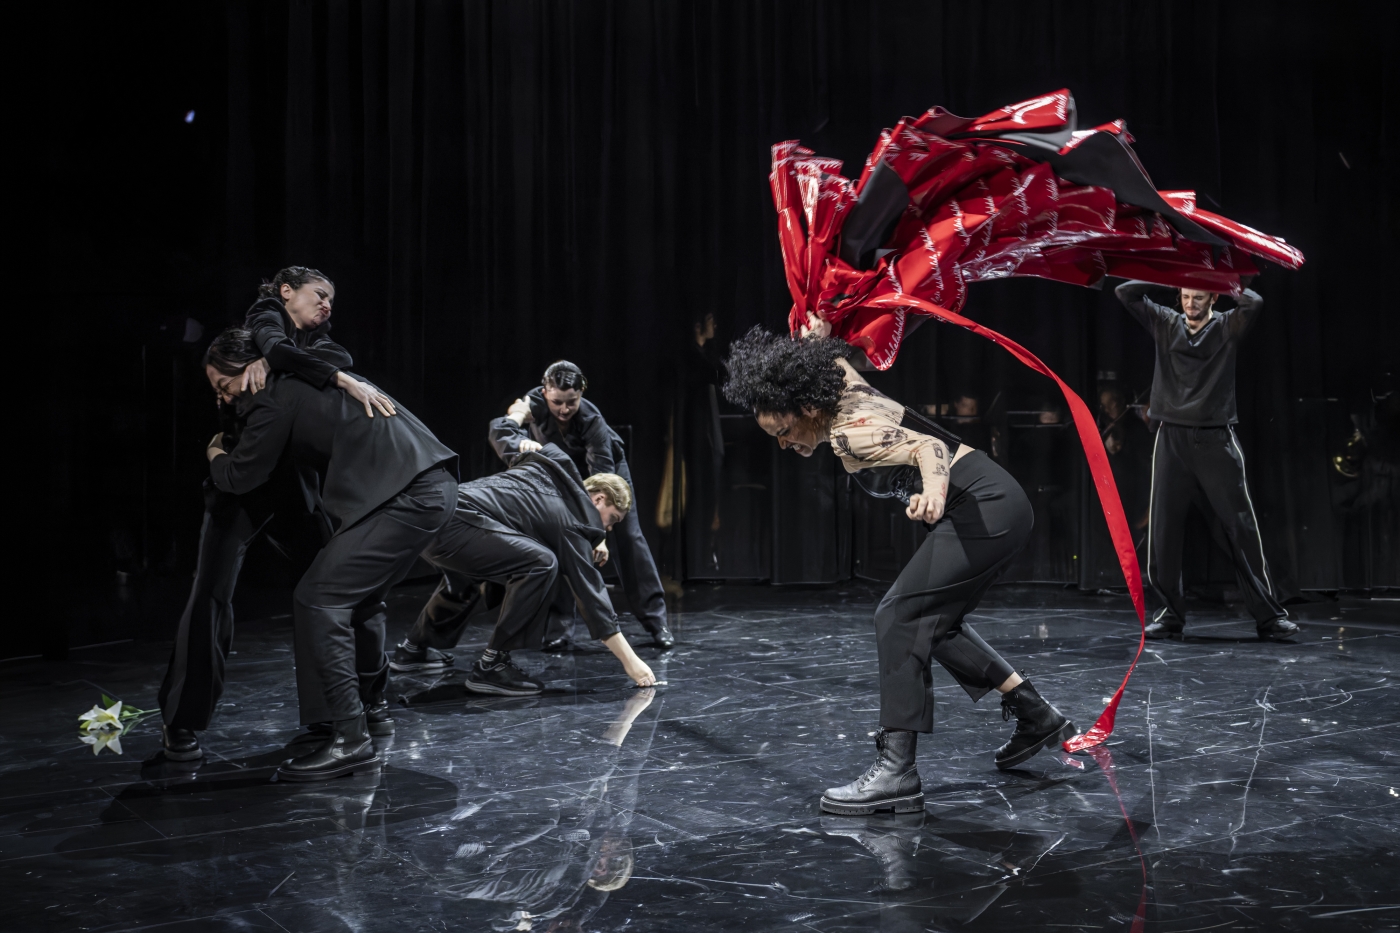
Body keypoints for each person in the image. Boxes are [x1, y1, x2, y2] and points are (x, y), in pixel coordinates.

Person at [724, 319, 1075, 816]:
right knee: (933, 623)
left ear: (805, 408)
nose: (783, 445)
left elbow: (930, 448)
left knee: (897, 617)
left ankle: (896, 772)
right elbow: (829, 358)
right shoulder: (844, 385)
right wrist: (814, 337)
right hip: (996, 500)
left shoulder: (849, 435)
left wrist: (932, 491)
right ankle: (1036, 714)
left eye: (782, 432)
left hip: (984, 504)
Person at [157, 266, 395, 763]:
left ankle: (353, 707)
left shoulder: (304, 348)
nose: (221, 397)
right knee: (209, 597)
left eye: (225, 386)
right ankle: (181, 721)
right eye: (216, 392)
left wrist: (276, 362)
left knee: (335, 590)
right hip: (236, 487)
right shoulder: (266, 318)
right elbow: (267, 340)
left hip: (290, 484)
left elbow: (334, 359)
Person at [202, 326, 458, 781]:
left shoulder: (273, 395)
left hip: (405, 496)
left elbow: (242, 475)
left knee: (318, 598)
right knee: (360, 599)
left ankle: (350, 739)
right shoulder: (309, 377)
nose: (224, 399)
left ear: (248, 368)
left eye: (225, 386)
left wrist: (216, 455)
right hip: (433, 485)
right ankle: (372, 710)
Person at [395, 435, 657, 694]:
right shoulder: (576, 520)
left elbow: (510, 442)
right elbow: (591, 595)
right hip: (459, 526)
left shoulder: (551, 465)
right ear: (598, 499)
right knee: (541, 564)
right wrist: (630, 661)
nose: (608, 529)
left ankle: (414, 650)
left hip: (433, 516)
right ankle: (493, 665)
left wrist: (517, 416)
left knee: (470, 577)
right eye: (612, 520)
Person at [1114, 281, 1297, 641]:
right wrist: (1169, 274)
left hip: (1216, 438)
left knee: (1240, 528)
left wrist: (1223, 280)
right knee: (1164, 531)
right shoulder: (1166, 323)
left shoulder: (1227, 326)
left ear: (1213, 297)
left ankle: (1269, 617)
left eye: (1199, 297)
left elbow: (1254, 302)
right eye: (1185, 297)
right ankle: (1169, 616)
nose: (1190, 304)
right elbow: (1126, 293)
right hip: (1172, 438)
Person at [492, 361, 673, 649]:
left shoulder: (591, 419)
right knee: (559, 538)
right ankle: (560, 629)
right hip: (561, 470)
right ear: (544, 390)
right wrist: (518, 421)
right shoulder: (533, 403)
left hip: (606, 471)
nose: (563, 409)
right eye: (557, 402)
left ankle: (656, 621)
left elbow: (600, 480)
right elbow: (509, 432)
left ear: (581, 394)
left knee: (627, 536)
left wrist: (599, 536)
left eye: (571, 402)